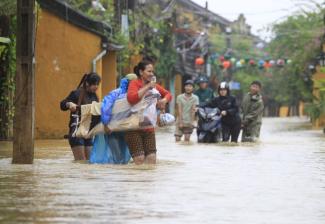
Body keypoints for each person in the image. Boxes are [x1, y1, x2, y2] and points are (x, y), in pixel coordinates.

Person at [125, 60, 172, 165]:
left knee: (152, 159)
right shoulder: (134, 83)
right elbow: (131, 99)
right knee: (140, 159)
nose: (152, 74)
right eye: (149, 71)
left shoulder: (155, 86)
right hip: (133, 128)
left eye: (152, 71)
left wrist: (164, 101)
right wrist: (147, 87)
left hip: (149, 128)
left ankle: (147, 181)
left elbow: (168, 94)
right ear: (141, 72)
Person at [89, 74, 138, 164]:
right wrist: (106, 124)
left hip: (128, 131)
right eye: (133, 83)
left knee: (124, 159)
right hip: (113, 131)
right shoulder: (116, 93)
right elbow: (105, 107)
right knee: (117, 157)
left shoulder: (137, 94)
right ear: (128, 82)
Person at [60, 72, 101, 160]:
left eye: (98, 84)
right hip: (76, 133)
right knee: (81, 163)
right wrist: (69, 104)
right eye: (94, 84)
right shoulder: (76, 93)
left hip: (88, 134)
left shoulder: (95, 97)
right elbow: (62, 104)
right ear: (87, 83)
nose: (96, 86)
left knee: (89, 163)